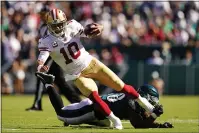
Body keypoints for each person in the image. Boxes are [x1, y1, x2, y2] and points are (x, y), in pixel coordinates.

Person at [36, 8, 161, 129]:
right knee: (95, 97)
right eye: (54, 25)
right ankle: (115, 120)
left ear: (65, 22)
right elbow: (43, 55)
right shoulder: (46, 41)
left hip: (92, 64)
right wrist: (40, 65)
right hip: (77, 74)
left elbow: (87, 33)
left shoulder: (72, 25)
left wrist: (99, 28)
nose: (57, 28)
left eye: (59, 24)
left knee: (121, 85)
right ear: (48, 25)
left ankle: (148, 106)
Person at [35, 72, 173, 129]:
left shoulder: (133, 100)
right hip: (92, 109)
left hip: (99, 110)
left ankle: (73, 118)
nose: (153, 103)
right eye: (152, 100)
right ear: (145, 96)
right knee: (61, 114)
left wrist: (158, 124)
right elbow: (137, 123)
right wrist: (155, 117)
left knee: (106, 122)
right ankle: (48, 83)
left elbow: (142, 118)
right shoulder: (131, 102)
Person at [26, 6, 81, 111]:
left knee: (44, 78)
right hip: (49, 55)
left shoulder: (51, 26)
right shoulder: (43, 26)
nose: (42, 16)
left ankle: (37, 104)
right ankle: (78, 102)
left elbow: (55, 41)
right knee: (61, 83)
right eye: (41, 14)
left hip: (53, 56)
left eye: (44, 14)